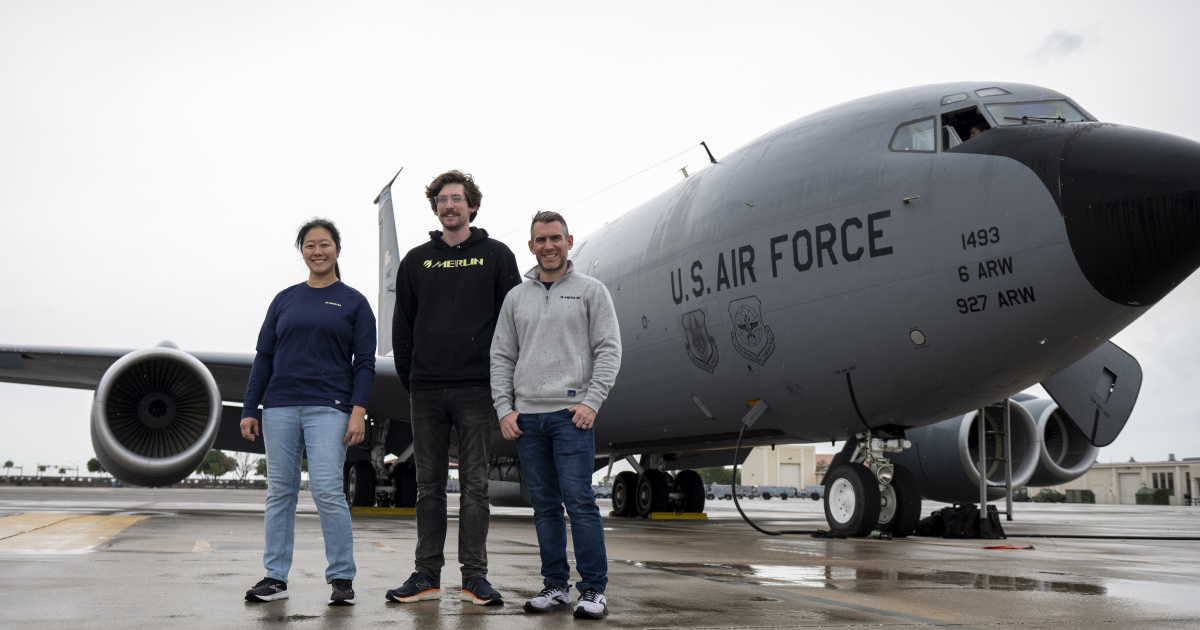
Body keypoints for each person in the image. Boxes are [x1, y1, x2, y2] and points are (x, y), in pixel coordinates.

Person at [386, 170, 521, 606]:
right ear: (436, 208)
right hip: (426, 391)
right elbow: (401, 326)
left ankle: (474, 578)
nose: (450, 206)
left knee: (475, 487)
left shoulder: (497, 256)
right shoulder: (416, 261)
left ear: (472, 206)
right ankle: (425, 575)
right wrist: (412, 378)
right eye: (442, 199)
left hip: (477, 389)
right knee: (428, 487)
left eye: (457, 199)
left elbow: (513, 324)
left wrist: (503, 382)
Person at [490, 211, 622, 619]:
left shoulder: (591, 291)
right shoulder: (516, 297)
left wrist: (592, 401)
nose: (549, 245)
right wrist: (504, 408)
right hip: (527, 420)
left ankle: (593, 591)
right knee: (545, 506)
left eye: (556, 238)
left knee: (579, 501)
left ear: (569, 241)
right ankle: (554, 586)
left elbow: (609, 349)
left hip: (570, 417)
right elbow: (501, 356)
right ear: (531, 246)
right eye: (541, 239)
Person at [240, 218, 377, 606]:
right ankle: (275, 578)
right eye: (310, 245)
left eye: (325, 244)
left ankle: (341, 578)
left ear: (337, 249)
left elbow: (364, 363)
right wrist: (251, 407)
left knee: (328, 491)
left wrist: (358, 411)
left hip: (329, 409)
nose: (318, 252)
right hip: (279, 408)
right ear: (302, 251)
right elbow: (263, 357)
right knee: (279, 493)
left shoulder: (354, 302)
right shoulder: (284, 299)